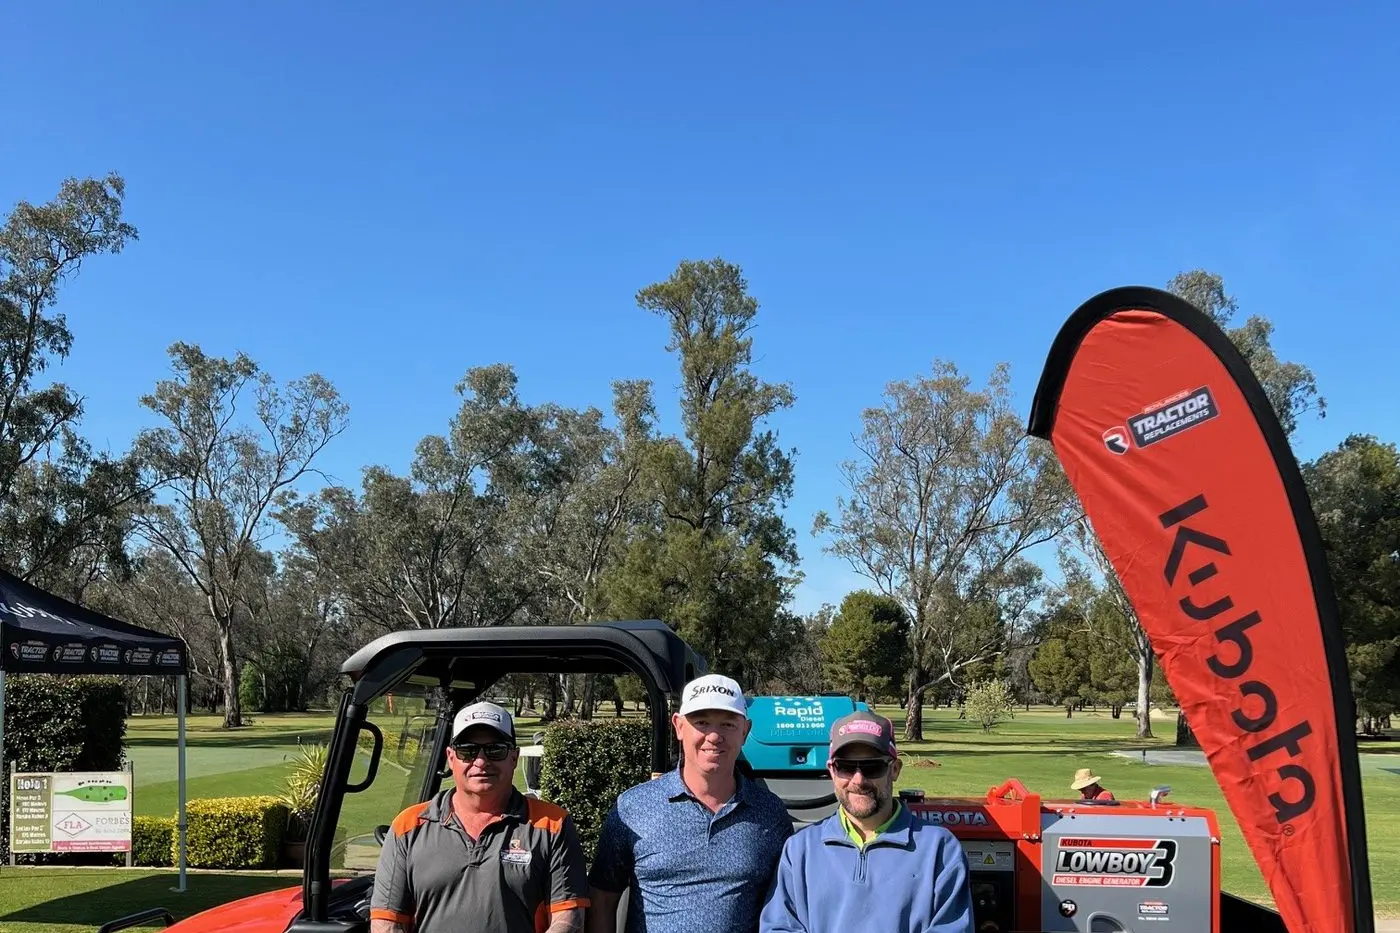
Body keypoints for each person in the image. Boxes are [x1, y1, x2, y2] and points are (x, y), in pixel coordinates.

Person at [586, 674, 794, 933]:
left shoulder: (770, 813)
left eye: (728, 724)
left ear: (745, 731)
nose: (714, 736)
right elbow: (603, 899)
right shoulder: (633, 808)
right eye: (702, 722)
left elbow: (786, 909)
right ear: (679, 727)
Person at [371, 701, 589, 933]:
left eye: (496, 750)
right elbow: (386, 923)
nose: (481, 761)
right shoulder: (408, 826)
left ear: (514, 758)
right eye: (467, 750)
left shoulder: (552, 824)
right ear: (451, 757)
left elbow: (568, 920)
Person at [759, 711, 974, 933]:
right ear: (832, 770)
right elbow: (780, 927)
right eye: (846, 766)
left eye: (872, 767)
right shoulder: (799, 850)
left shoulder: (940, 849)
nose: (859, 779)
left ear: (895, 770)